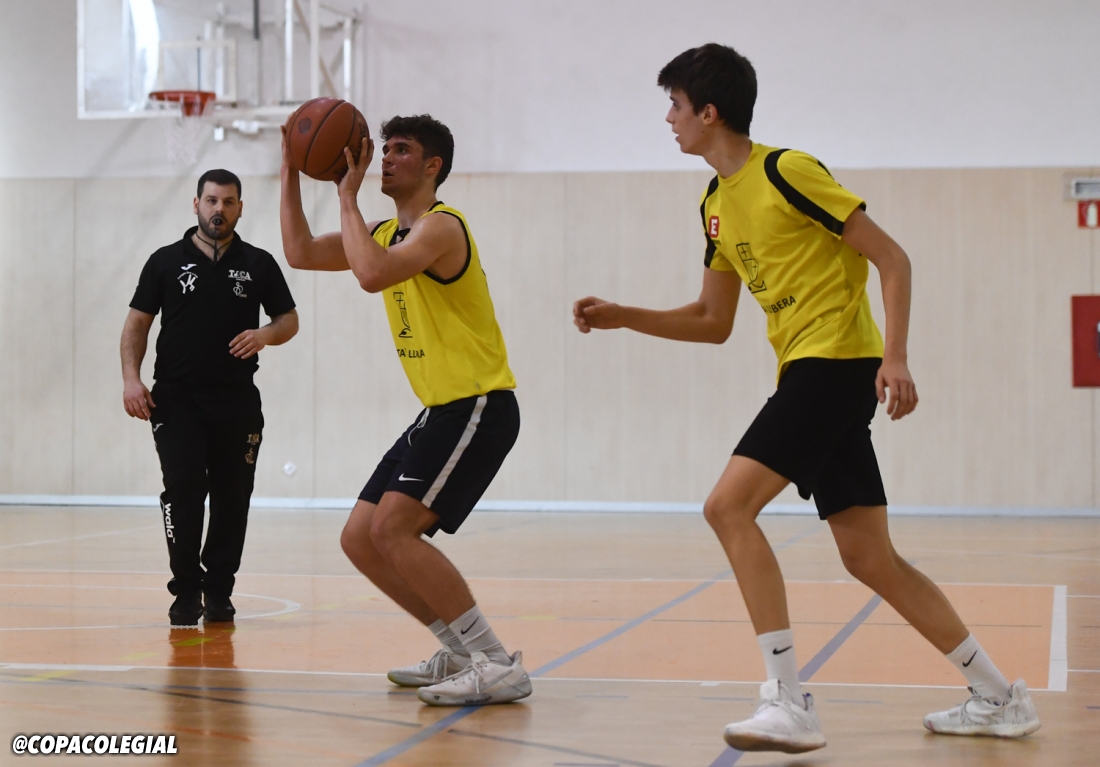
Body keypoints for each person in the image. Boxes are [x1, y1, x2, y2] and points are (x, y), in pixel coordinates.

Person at [572, 43, 1040, 753]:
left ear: (709, 111)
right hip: (808, 371)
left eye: (675, 105)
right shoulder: (713, 203)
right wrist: (625, 315)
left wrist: (895, 355)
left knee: (727, 507)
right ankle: (1000, 697)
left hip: (836, 363)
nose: (668, 119)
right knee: (870, 557)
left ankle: (787, 700)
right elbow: (714, 320)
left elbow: (892, 257)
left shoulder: (786, 170)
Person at [279, 114, 530, 707]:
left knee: (393, 529)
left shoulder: (442, 226)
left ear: (432, 166)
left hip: (478, 404)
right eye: (384, 148)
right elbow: (300, 252)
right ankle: (459, 650)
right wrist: (290, 167)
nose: (386, 159)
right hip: (439, 410)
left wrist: (346, 194)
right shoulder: (387, 231)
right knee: (359, 538)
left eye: (401, 150)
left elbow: (370, 275)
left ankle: (496, 663)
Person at [121, 169, 299, 627]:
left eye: (228, 202)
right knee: (183, 491)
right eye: (212, 200)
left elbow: (288, 320)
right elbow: (137, 324)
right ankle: (186, 591)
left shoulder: (258, 263)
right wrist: (131, 380)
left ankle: (219, 591)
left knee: (232, 497)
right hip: (175, 400)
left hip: (236, 401)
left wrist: (264, 335)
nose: (219, 209)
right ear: (196, 204)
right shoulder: (164, 262)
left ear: (240, 208)